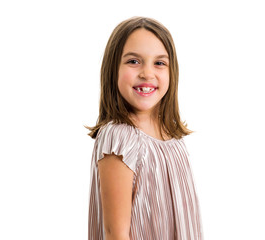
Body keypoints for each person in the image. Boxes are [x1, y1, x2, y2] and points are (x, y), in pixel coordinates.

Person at [86, 16, 203, 240]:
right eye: (134, 61)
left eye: (159, 63)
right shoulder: (120, 138)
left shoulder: (174, 139)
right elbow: (115, 234)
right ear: (113, 69)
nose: (147, 73)